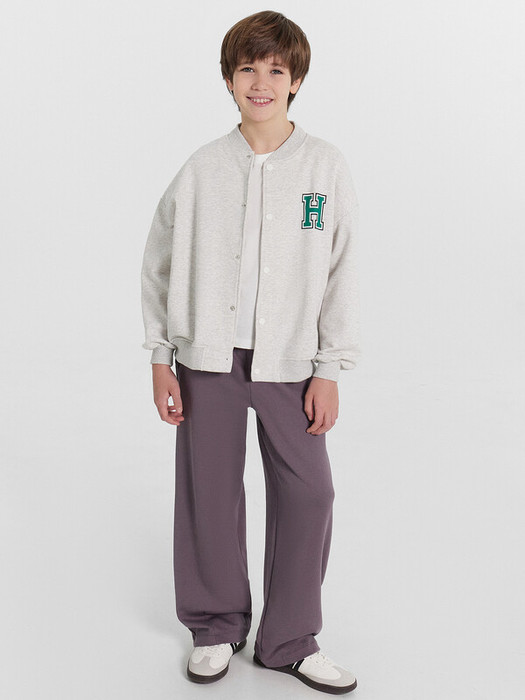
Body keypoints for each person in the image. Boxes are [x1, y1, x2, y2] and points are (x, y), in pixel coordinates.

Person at [141, 10, 360, 695]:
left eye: (275, 69)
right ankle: (215, 626)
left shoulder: (323, 166)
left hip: (290, 364)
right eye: (247, 68)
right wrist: (160, 356)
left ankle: (289, 638)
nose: (260, 82)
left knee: (311, 493)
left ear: (295, 80)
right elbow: (157, 263)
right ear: (229, 79)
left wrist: (329, 368)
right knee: (208, 493)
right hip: (206, 359)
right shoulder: (202, 168)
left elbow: (341, 269)